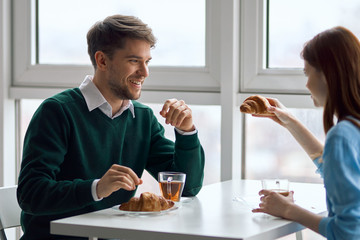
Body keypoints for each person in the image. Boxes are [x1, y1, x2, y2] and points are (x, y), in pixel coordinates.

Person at [17, 14, 205, 239]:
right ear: (102, 61)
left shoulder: (142, 119)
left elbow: (187, 188)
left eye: (147, 62)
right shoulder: (57, 111)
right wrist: (96, 188)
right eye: (134, 61)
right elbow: (30, 194)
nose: (145, 73)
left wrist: (186, 132)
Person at [251, 26, 360, 239]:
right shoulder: (352, 130)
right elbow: (331, 166)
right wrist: (290, 121)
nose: (307, 84)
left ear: (326, 76)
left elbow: (348, 232)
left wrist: (288, 210)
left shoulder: (341, 136)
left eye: (307, 73)